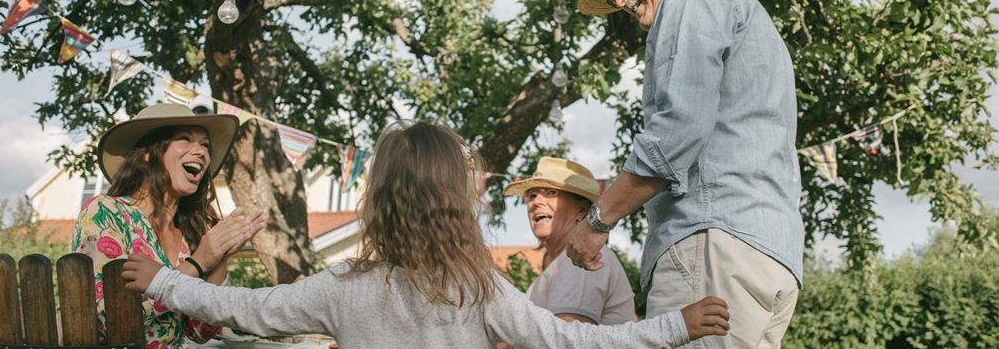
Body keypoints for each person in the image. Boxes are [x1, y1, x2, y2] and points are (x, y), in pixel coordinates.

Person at [121, 121, 731, 348]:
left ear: (380, 200)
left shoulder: (342, 285)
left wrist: (164, 282)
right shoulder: (477, 287)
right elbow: (568, 344)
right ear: (453, 205)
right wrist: (675, 324)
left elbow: (245, 309)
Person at [566, 0, 805, 348]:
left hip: (712, 243)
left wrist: (598, 221)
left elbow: (677, 130)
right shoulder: (741, 6)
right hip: (768, 251)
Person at [72, 103, 266, 348]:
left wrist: (221, 256)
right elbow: (110, 317)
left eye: (205, 145)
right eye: (185, 139)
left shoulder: (188, 235)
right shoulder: (105, 212)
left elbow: (198, 331)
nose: (201, 152)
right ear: (148, 152)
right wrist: (198, 263)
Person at [504, 157, 635, 325]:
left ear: (582, 209)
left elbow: (565, 339)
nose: (536, 202)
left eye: (552, 193)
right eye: (532, 195)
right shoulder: (559, 266)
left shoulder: (585, 260)